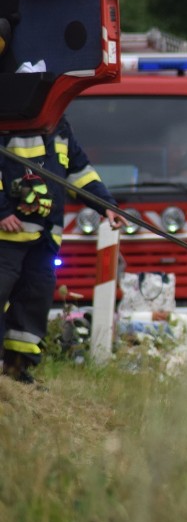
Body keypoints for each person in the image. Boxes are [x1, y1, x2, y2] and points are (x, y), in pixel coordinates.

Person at [0, 115, 127, 383]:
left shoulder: (58, 126)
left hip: (44, 240)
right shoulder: (10, 115)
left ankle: (17, 369)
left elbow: (80, 173)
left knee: (35, 300)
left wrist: (106, 206)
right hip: (6, 237)